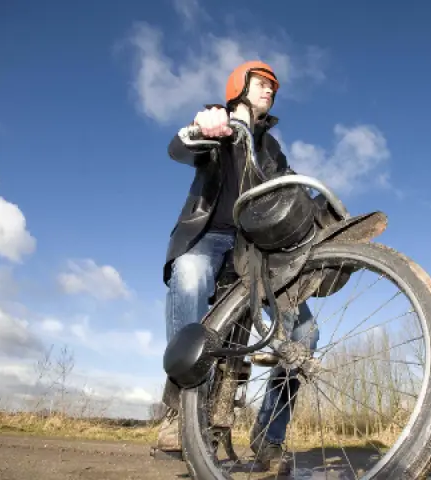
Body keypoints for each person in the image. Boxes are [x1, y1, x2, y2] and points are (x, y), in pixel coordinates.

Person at [154, 60, 319, 472]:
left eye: (273, 86)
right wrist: (203, 127)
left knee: (305, 331)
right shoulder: (219, 121)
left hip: (256, 248)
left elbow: (290, 190)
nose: (269, 90)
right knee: (190, 274)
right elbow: (179, 148)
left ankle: (268, 438)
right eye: (261, 82)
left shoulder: (272, 148)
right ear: (239, 86)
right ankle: (180, 411)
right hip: (210, 234)